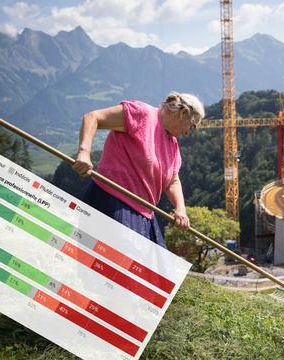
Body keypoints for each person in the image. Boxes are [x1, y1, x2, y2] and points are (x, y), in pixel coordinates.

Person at [71, 92, 204, 248]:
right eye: (191, 125)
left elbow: (173, 180)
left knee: (153, 271)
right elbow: (93, 117)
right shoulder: (142, 114)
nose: (188, 132)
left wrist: (181, 209)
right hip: (111, 202)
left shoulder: (172, 145)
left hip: (144, 214)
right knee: (109, 267)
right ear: (183, 113)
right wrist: (84, 153)